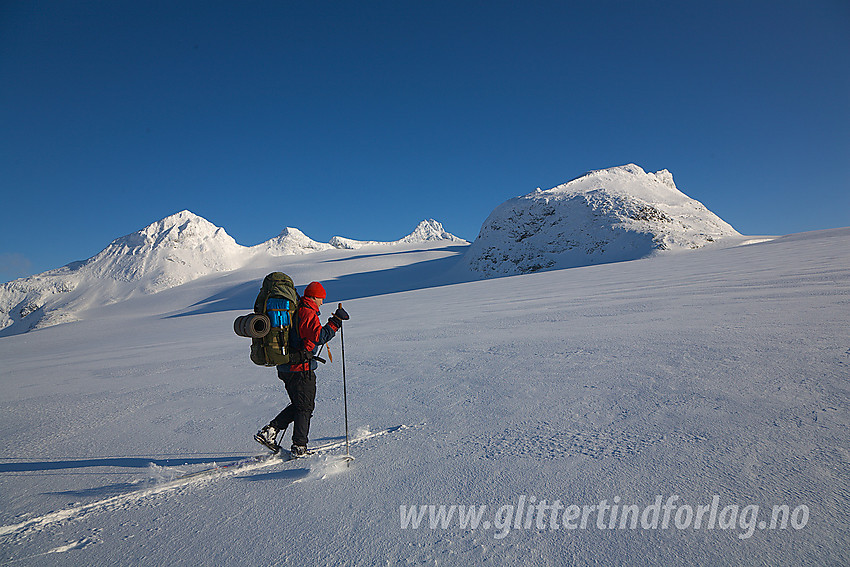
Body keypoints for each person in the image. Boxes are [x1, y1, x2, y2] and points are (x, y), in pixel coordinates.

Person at [254, 281, 349, 456]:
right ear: (314, 296)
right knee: (305, 407)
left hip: (287, 366)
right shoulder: (306, 311)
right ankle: (299, 447)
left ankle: (270, 432)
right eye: (321, 298)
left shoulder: (300, 309)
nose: (322, 302)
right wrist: (335, 322)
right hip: (300, 368)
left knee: (300, 405)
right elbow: (319, 336)